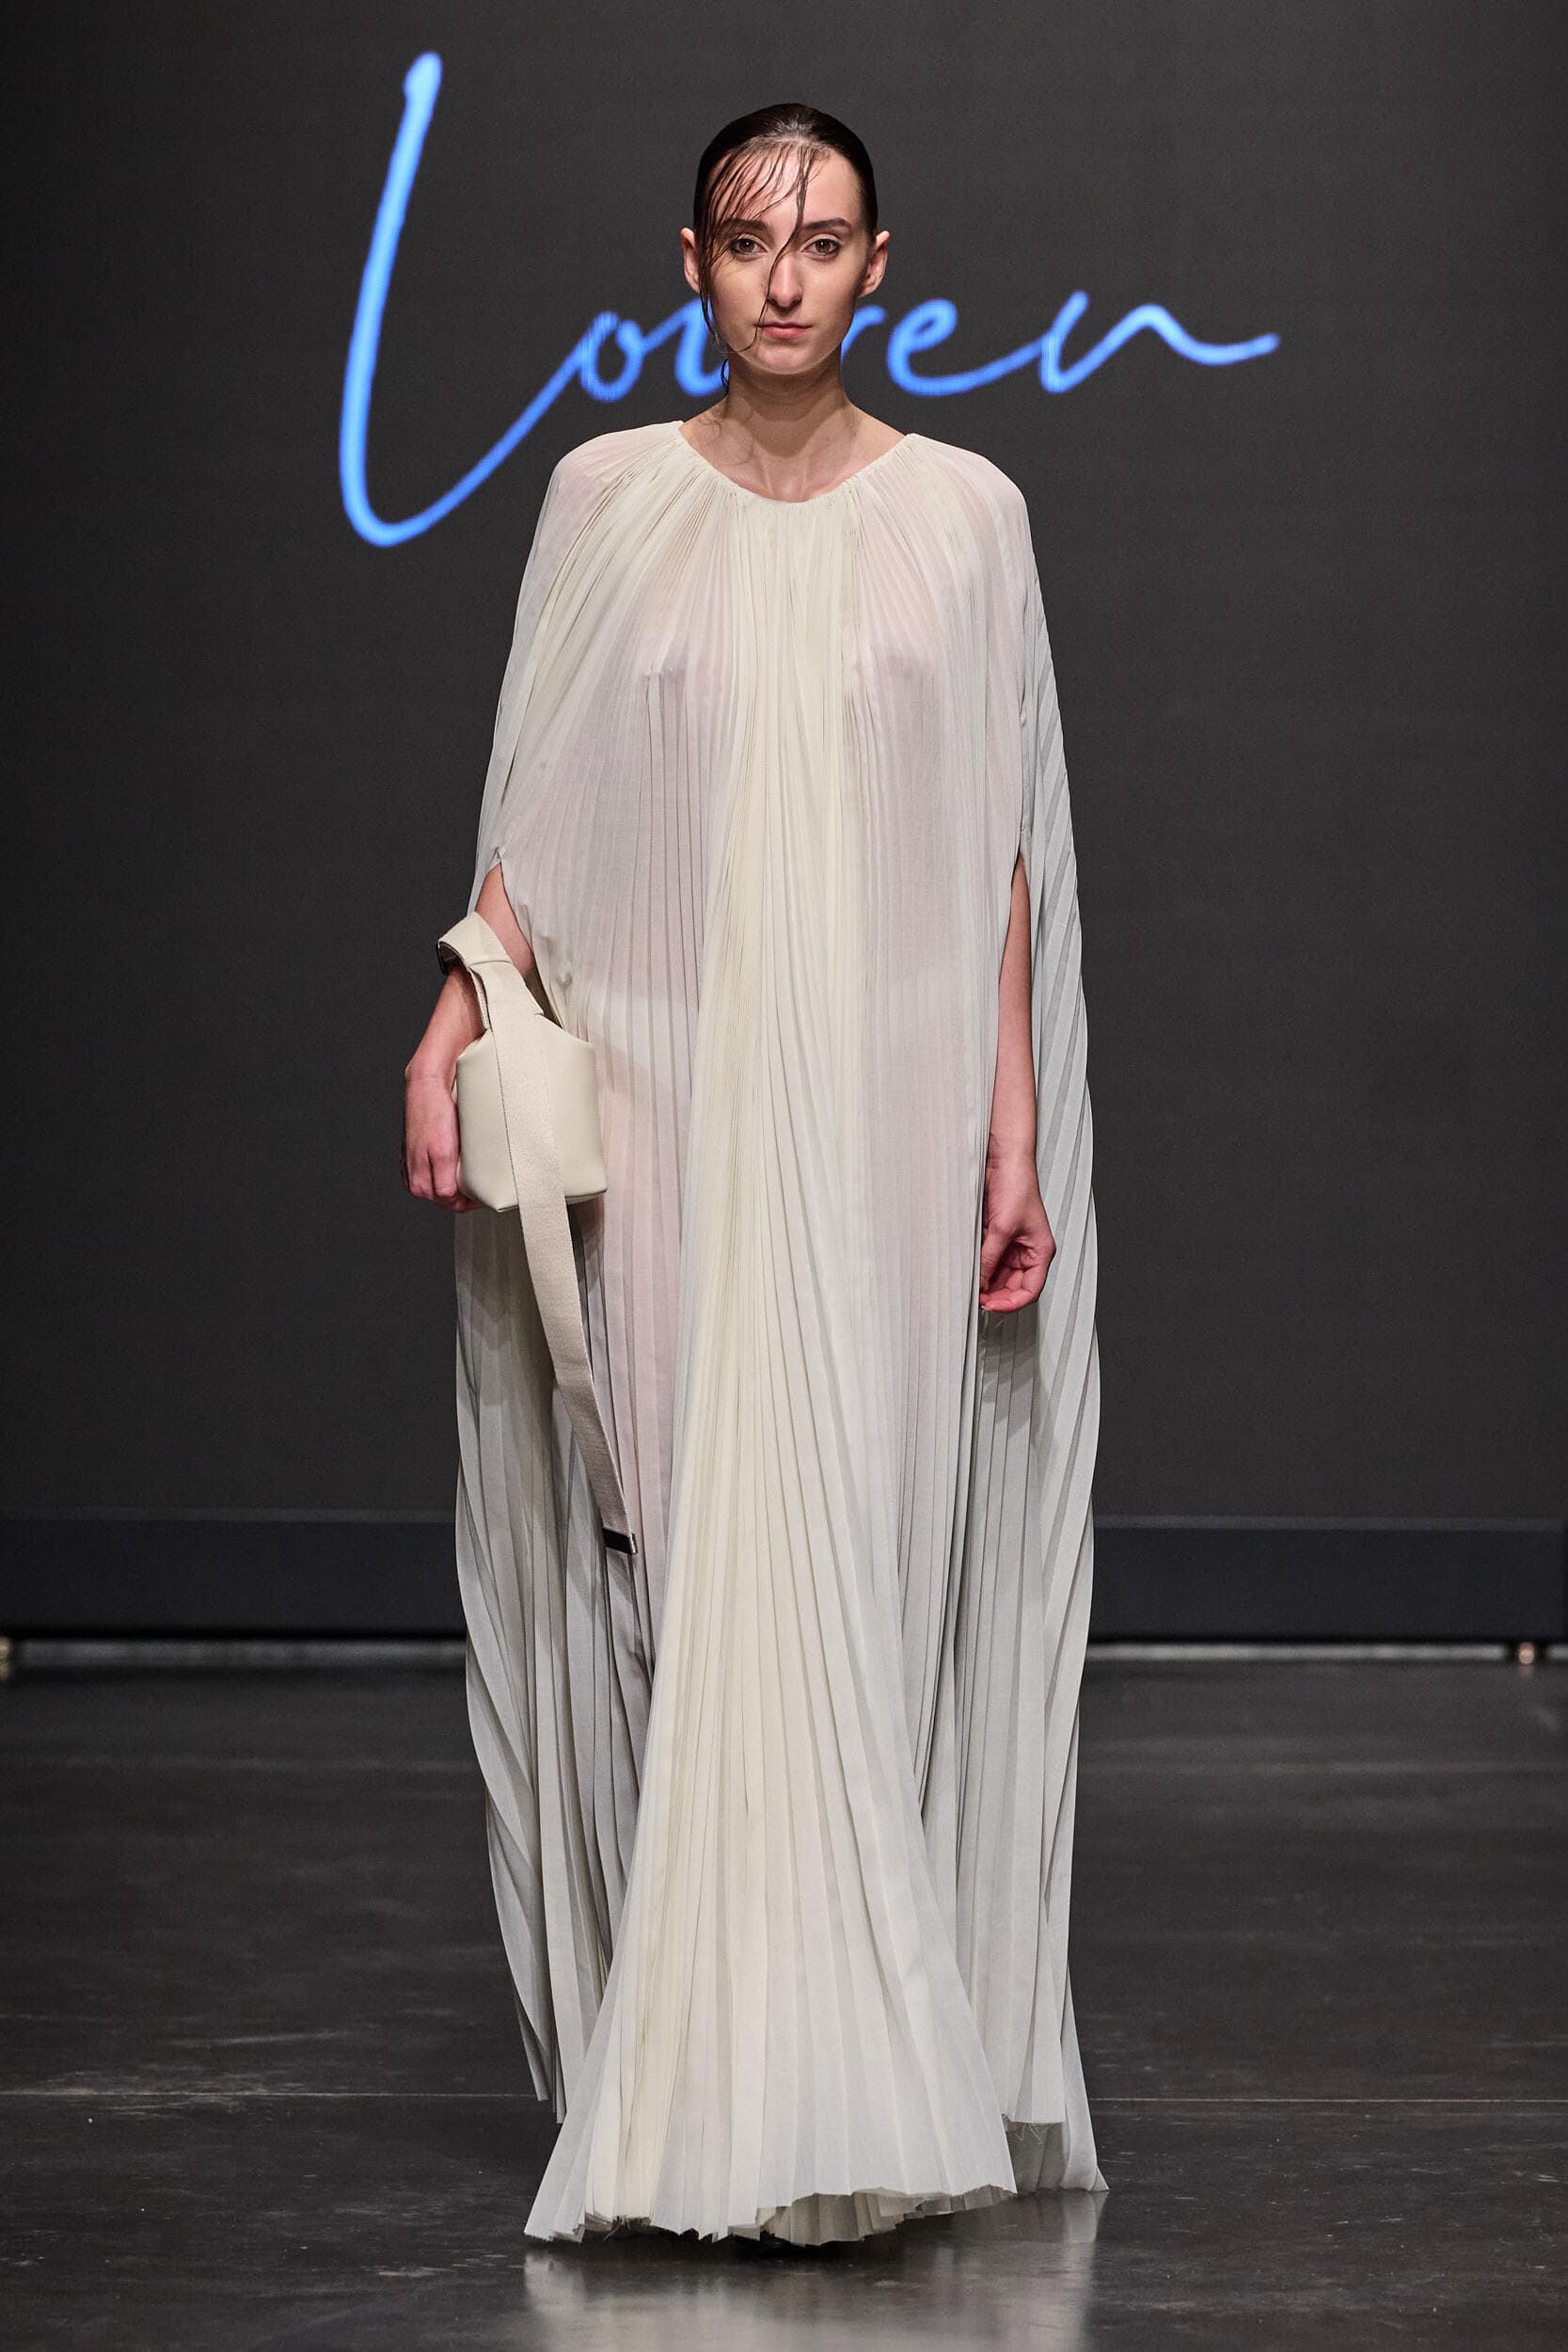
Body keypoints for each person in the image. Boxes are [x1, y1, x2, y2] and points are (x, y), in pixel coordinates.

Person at [401, 102, 1105, 2247]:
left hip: (890, 1110)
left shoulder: (968, 516)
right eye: (743, 237)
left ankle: (857, 2098)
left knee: (866, 1564)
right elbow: (539, 823)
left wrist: (1010, 1120)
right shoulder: (605, 497)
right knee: (687, 1561)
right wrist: (453, 1012)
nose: (780, 275)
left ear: (881, 264)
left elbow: (997, 853)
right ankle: (702, 2087)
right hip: (675, 1107)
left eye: (820, 239)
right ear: (687, 261)